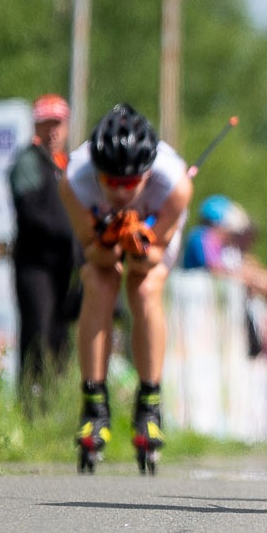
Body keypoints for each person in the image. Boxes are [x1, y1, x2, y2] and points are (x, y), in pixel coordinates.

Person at [59, 104, 192, 473]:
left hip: (153, 237)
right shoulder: (75, 180)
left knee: (145, 288)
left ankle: (149, 402)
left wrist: (141, 244)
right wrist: (108, 239)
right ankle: (93, 404)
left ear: (147, 174)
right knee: (99, 284)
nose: (120, 192)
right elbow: (94, 255)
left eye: (130, 183)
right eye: (111, 183)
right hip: (100, 243)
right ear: (97, 174)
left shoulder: (175, 185)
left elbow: (148, 261)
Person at [6, 94, 78, 397]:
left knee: (61, 338)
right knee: (38, 333)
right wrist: (69, 233)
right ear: (37, 125)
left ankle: (55, 402)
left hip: (66, 266)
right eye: (47, 123)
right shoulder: (28, 161)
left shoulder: (71, 165)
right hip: (36, 265)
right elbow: (31, 212)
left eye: (58, 124)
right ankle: (31, 404)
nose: (53, 131)